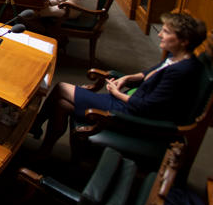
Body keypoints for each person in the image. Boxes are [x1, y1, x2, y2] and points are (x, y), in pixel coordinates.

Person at [34, 12, 207, 157]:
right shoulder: (176, 57)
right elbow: (150, 73)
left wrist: (116, 92)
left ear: (184, 41)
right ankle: (44, 151)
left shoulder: (182, 71)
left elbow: (147, 106)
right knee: (61, 104)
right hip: (130, 101)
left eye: (166, 32)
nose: (160, 34)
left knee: (62, 87)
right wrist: (128, 78)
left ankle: (35, 125)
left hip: (129, 113)